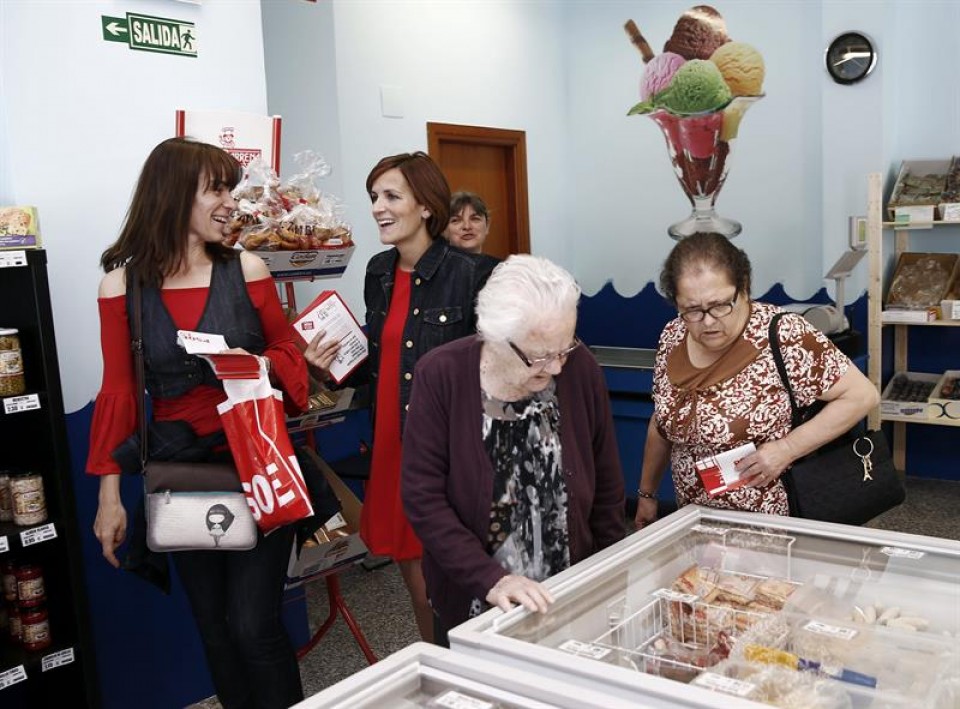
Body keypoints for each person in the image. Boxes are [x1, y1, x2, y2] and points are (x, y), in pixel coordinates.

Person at [88, 137, 309, 709]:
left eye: (230, 190)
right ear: (173, 194)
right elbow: (118, 393)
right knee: (213, 626)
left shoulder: (249, 269)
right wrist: (109, 496)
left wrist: (255, 364)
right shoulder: (121, 286)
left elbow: (288, 348)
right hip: (179, 471)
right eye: (217, 189)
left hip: (257, 462)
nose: (229, 202)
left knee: (252, 625)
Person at [303, 152, 495, 641]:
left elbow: (497, 376)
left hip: (450, 451)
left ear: (426, 206)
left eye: (391, 196)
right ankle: (437, 669)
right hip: (393, 443)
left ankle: (478, 676)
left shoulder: (475, 275)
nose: (377, 208)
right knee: (419, 585)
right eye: (374, 197)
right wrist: (330, 368)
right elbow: (383, 361)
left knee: (460, 579)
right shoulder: (379, 271)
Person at [401, 254, 626, 643]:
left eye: (564, 348)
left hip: (568, 590)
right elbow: (423, 498)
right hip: (476, 597)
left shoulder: (580, 367)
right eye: (540, 356)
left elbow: (606, 483)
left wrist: (610, 577)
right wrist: (490, 579)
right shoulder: (441, 375)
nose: (556, 367)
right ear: (495, 337)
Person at [635, 232, 879, 529]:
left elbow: (862, 396)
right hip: (696, 520)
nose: (708, 321)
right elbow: (661, 421)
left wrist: (786, 449)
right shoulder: (673, 336)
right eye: (692, 309)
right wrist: (647, 493)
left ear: (744, 288)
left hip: (770, 521)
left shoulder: (782, 334)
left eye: (720, 304)